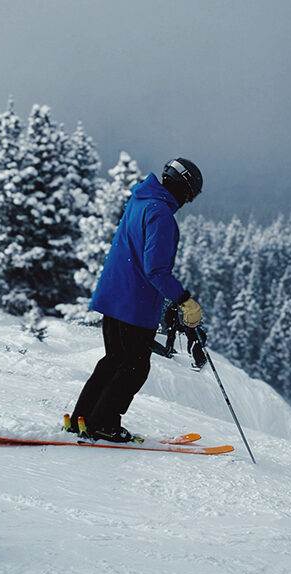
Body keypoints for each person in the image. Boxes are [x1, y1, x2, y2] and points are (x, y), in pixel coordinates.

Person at [67, 158, 205, 443]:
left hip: (114, 294)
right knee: (134, 366)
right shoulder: (161, 214)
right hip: (134, 302)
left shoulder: (141, 201)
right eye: (190, 196)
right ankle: (103, 424)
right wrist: (184, 300)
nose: (187, 202)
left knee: (114, 360)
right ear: (184, 188)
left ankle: (83, 418)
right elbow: (155, 269)